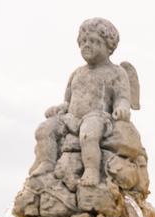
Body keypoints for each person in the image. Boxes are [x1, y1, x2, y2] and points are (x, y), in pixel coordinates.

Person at [30, 18, 135, 187]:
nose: (87, 45)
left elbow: (122, 98)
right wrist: (60, 108)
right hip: (71, 118)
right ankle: (46, 162)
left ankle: (92, 169)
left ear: (109, 46)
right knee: (44, 129)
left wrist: (122, 107)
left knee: (88, 134)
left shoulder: (116, 72)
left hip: (97, 117)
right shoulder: (77, 73)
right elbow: (67, 100)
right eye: (83, 41)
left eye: (94, 41)